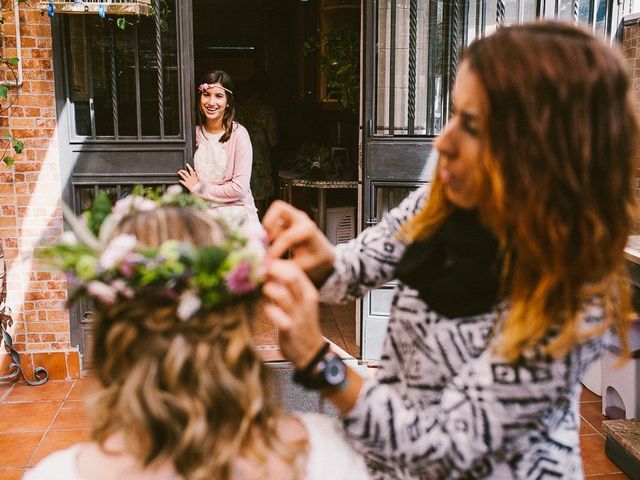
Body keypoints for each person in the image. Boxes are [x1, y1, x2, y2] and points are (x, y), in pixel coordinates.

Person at [261, 22, 637, 479]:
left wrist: (322, 365)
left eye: (472, 126)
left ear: (542, 150)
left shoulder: (570, 296)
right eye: (454, 114)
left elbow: (444, 447)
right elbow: (356, 268)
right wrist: (317, 257)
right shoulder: (441, 201)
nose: (444, 141)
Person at [27, 190, 371, 480]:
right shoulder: (327, 454)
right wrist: (319, 361)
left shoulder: (54, 474)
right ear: (239, 316)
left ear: (111, 333)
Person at [178, 70, 260, 230]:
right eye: (206, 94)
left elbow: (239, 188)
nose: (211, 102)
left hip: (236, 220)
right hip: (202, 219)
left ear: (228, 102)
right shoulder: (192, 135)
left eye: (219, 96)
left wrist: (199, 189)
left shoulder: (239, 134)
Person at [237, 71, 278, 218]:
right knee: (259, 203)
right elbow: (273, 141)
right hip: (260, 163)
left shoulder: (238, 111)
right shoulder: (266, 112)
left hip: (241, 161)